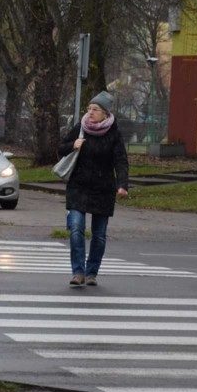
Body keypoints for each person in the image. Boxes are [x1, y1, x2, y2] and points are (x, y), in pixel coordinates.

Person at [58, 91, 129, 287]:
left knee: (98, 235)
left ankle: (91, 273)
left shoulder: (114, 133)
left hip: (103, 189)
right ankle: (78, 272)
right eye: (89, 109)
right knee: (76, 230)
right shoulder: (80, 128)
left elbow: (121, 161)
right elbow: (59, 149)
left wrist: (122, 184)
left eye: (95, 109)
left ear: (105, 113)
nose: (90, 113)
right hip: (78, 186)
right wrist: (73, 144)